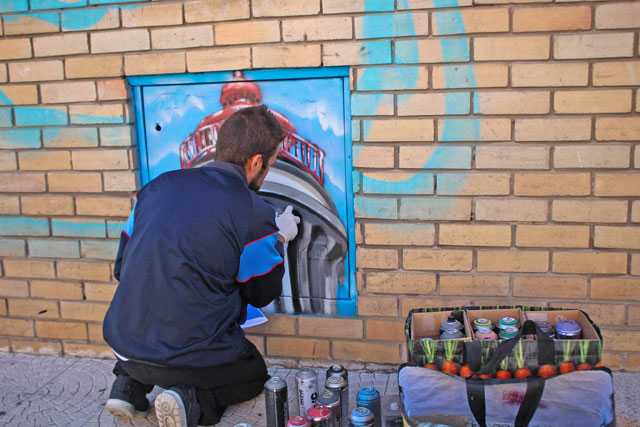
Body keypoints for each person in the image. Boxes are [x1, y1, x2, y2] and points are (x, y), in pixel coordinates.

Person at [102, 105, 301, 427]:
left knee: (159, 315)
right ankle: (191, 401)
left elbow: (122, 268)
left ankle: (127, 388)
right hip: (189, 356)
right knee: (252, 373)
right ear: (256, 162)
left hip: (123, 345)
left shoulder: (153, 189)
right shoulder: (253, 212)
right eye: (271, 164)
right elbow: (261, 292)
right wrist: (279, 239)